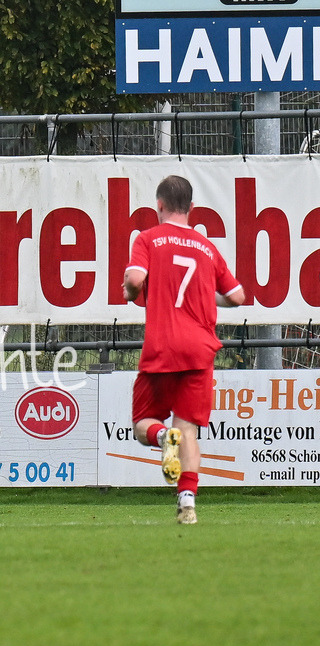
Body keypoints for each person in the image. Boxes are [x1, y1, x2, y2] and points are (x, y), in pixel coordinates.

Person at [123, 175, 244, 525]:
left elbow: (133, 280)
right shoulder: (207, 248)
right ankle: (187, 503)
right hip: (199, 349)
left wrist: (131, 294)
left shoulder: (147, 239)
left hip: (163, 345)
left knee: (141, 425)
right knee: (189, 430)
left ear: (158, 205)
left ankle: (162, 436)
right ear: (191, 208)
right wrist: (208, 295)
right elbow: (236, 297)